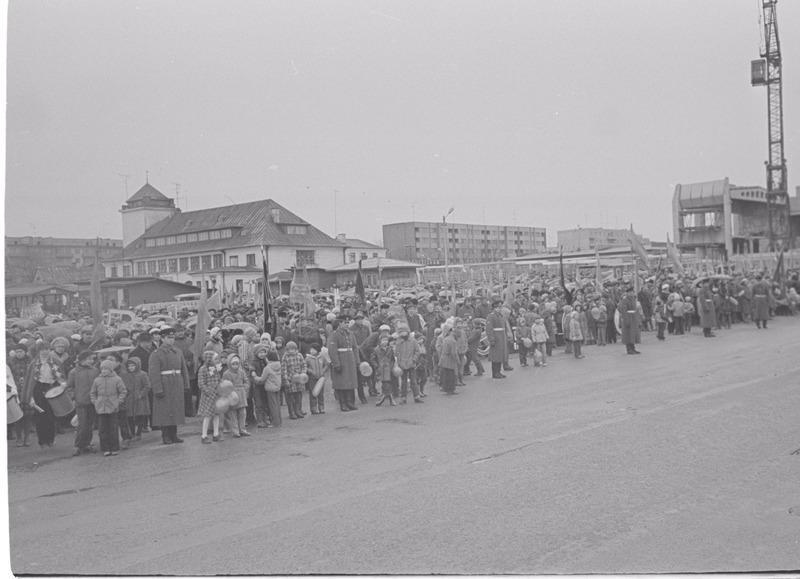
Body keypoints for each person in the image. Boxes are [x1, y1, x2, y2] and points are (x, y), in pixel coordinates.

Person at [148, 327, 190, 445]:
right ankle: (165, 435)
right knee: (165, 410)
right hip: (164, 383)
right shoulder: (156, 354)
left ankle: (174, 434)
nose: (171, 340)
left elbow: (183, 369)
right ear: (162, 338)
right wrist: (157, 388)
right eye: (168, 338)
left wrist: (186, 385)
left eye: (172, 338)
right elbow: (154, 373)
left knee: (175, 409)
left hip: (176, 382)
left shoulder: (178, 351)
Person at [22, 341, 67, 448]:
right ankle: (42, 440)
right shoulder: (34, 364)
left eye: (46, 349)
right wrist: (30, 396)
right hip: (39, 389)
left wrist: (62, 384)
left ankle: (50, 439)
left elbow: (60, 375)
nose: (45, 352)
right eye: (42, 350)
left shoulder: (55, 361)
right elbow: (30, 380)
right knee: (40, 414)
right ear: (38, 351)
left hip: (52, 388)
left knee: (51, 414)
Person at [90, 359, 127, 457]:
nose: (103, 371)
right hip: (101, 408)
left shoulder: (117, 379)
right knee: (102, 429)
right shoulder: (97, 380)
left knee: (113, 429)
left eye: (106, 369)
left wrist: (118, 402)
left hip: (113, 408)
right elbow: (93, 393)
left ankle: (114, 448)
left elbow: (123, 391)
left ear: (111, 370)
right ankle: (105, 448)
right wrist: (95, 402)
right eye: (102, 369)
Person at [66, 350, 99, 455]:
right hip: (81, 402)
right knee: (82, 424)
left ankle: (87, 444)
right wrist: (74, 397)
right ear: (82, 360)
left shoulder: (95, 370)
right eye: (89, 359)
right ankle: (79, 445)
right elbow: (69, 386)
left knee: (90, 424)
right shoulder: (74, 372)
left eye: (92, 359)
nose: (91, 361)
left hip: (92, 401)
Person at [328, 314, 361, 412]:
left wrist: (357, 361)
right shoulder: (334, 334)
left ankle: (350, 402)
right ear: (339, 323)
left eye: (348, 322)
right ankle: (343, 404)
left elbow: (355, 348)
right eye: (345, 322)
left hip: (350, 361)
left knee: (350, 383)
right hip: (341, 361)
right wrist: (336, 364)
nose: (347, 324)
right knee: (341, 384)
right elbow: (332, 350)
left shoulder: (350, 334)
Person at [120, 357, 150, 442]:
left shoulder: (143, 374)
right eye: (129, 366)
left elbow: (147, 386)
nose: (131, 368)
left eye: (133, 365)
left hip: (139, 399)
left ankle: (138, 433)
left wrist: (141, 394)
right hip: (129, 398)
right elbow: (123, 386)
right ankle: (132, 433)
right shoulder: (126, 375)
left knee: (140, 416)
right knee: (129, 416)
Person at [197, 351, 222, 443]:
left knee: (216, 414)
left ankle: (216, 434)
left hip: (217, 394)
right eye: (215, 359)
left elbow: (219, 379)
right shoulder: (202, 369)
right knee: (207, 415)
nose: (217, 360)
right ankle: (204, 435)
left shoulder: (216, 368)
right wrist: (207, 391)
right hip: (208, 396)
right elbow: (201, 383)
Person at [222, 355, 251, 436]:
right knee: (233, 414)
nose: (235, 366)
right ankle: (235, 431)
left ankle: (242, 429)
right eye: (233, 364)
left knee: (243, 413)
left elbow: (246, 381)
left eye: (237, 364)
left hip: (241, 394)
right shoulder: (226, 374)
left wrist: (244, 388)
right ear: (229, 364)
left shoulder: (241, 372)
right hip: (232, 396)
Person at [394, 325, 423, 403]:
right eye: (401, 332)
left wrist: (414, 360)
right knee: (404, 382)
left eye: (404, 331)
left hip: (411, 364)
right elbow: (397, 353)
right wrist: (399, 362)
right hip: (402, 365)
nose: (403, 333)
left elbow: (417, 351)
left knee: (413, 381)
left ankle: (416, 396)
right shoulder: (398, 342)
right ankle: (403, 398)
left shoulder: (413, 341)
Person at [280, 341, 308, 419]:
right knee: (290, 397)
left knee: (299, 396)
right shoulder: (285, 357)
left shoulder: (299, 355)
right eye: (290, 349)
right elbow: (283, 369)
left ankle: (298, 410)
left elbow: (304, 365)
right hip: (290, 380)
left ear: (296, 349)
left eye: (293, 349)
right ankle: (292, 412)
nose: (291, 351)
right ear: (287, 349)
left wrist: (303, 373)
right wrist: (286, 380)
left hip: (299, 379)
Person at [372, 334, 397, 407]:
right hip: (381, 369)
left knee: (387, 383)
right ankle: (389, 398)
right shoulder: (376, 350)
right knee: (385, 383)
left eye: (386, 340)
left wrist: (391, 366)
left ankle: (383, 398)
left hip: (389, 369)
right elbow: (373, 359)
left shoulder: (390, 349)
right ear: (380, 341)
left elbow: (392, 359)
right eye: (383, 340)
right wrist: (376, 366)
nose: (385, 342)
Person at [486, 300, 508, 379]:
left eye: (500, 307)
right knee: (495, 356)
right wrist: (491, 339)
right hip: (496, 337)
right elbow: (489, 328)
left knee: (500, 355)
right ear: (494, 307)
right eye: (498, 307)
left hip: (501, 337)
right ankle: (495, 373)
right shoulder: (491, 316)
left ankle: (498, 371)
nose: (500, 308)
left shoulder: (500, 315)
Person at [617, 286, 641, 354]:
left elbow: (636, 309)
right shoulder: (625, 300)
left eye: (632, 292)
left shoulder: (633, 299)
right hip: (628, 318)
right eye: (630, 292)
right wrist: (626, 320)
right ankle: (629, 349)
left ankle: (633, 348)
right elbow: (623, 311)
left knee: (633, 334)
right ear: (627, 293)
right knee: (628, 334)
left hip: (633, 318)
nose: (632, 293)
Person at [438, 324, 459, 394]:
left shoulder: (445, 339)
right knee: (451, 375)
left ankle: (446, 389)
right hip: (449, 359)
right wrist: (457, 360)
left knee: (446, 374)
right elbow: (453, 353)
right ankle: (451, 389)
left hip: (444, 358)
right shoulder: (453, 341)